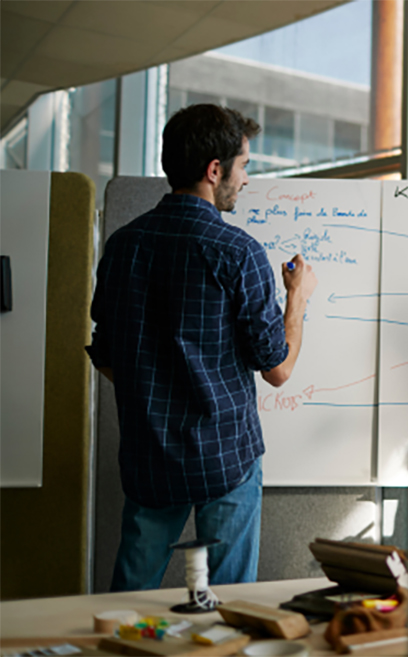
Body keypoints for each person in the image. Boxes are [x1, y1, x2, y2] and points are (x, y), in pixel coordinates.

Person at [87, 104, 318, 591]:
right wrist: (296, 299)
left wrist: (160, 382)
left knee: (128, 600)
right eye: (245, 165)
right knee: (230, 603)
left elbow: (106, 357)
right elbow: (277, 369)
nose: (247, 178)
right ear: (215, 171)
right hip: (225, 459)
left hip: (149, 458)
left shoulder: (123, 246)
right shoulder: (238, 253)